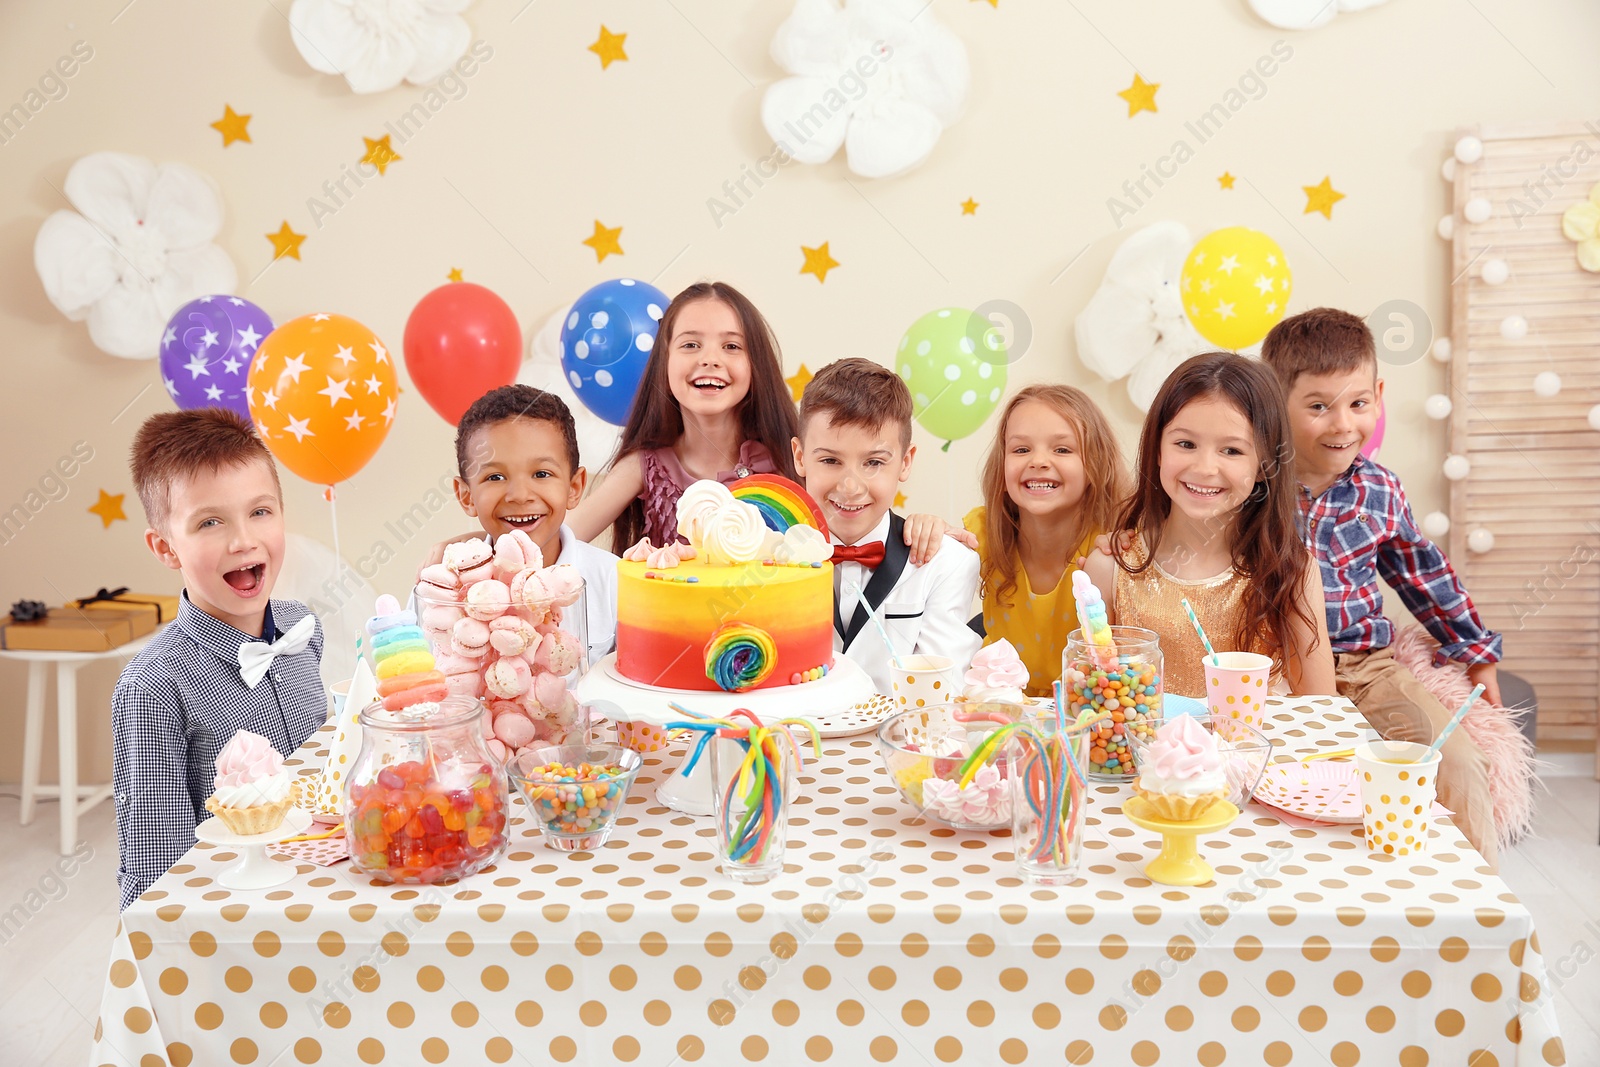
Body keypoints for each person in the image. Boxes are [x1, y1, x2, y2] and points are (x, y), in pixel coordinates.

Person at [1262, 307, 1501, 864]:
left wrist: (1475, 651)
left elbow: (1424, 574)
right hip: (1274, 665)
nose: (1343, 424)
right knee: (1291, 787)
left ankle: (1477, 913)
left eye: (1358, 403)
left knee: (1458, 762)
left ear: (1379, 393)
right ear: (1276, 405)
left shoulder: (1379, 491)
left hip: (1365, 665)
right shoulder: (1250, 485)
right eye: (1319, 406)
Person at [566, 280, 951, 563]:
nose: (710, 359)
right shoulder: (646, 467)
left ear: (755, 365)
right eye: (690, 344)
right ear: (663, 363)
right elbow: (563, 541)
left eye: (731, 346)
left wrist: (924, 529)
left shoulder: (787, 461)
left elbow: (855, 514)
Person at [112, 409, 325, 909]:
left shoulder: (302, 629)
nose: (243, 540)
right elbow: (153, 869)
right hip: (236, 924)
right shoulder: (154, 685)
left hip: (325, 898)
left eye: (260, 511)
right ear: (165, 548)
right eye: (210, 522)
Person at [1084, 352, 1335, 699]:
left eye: (1231, 451)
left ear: (1263, 465)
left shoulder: (1291, 572)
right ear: (1158, 450)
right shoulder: (1109, 569)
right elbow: (1093, 704)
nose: (1204, 468)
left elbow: (1320, 709)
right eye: (1185, 444)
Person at [793, 358, 981, 695]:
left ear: (905, 462)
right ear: (800, 457)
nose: (851, 486)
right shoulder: (768, 558)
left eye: (873, 462)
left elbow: (941, 693)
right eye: (830, 460)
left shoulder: (946, 562)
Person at [963, 385, 1127, 697]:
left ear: (1096, 466)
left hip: (1083, 717)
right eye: (1021, 450)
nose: (1038, 461)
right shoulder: (981, 534)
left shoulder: (1108, 547)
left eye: (1062, 450)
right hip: (1002, 710)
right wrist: (924, 528)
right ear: (1002, 467)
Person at [437, 384, 618, 662]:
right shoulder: (442, 592)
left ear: (574, 487)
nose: (520, 496)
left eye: (542, 473)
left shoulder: (614, 582)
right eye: (495, 477)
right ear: (466, 496)